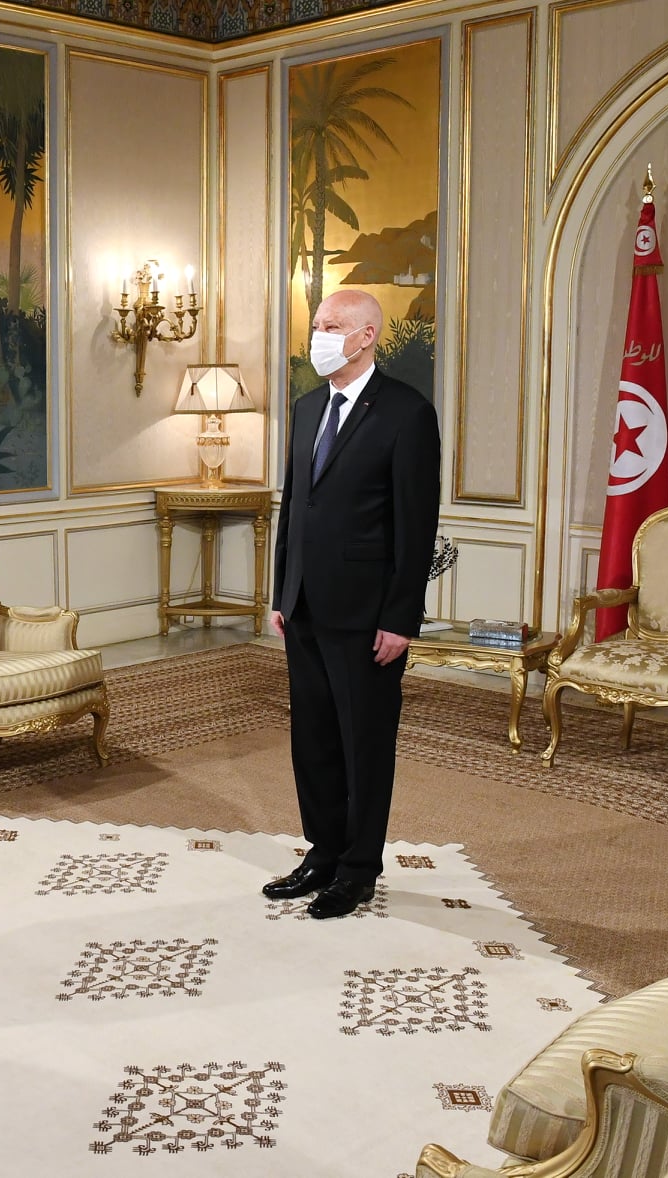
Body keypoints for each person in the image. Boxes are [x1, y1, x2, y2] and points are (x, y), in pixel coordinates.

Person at [265, 288, 441, 919]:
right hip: (305, 607)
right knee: (312, 739)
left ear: (366, 336)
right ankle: (323, 852)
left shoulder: (406, 413)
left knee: (363, 743)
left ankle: (359, 869)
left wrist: (400, 618)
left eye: (332, 326)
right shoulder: (307, 406)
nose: (319, 336)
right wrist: (282, 592)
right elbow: (296, 506)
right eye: (317, 325)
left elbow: (416, 526)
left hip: (368, 616)